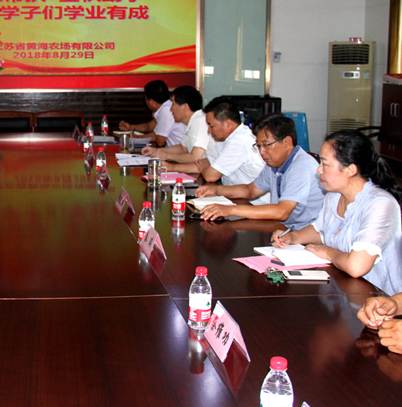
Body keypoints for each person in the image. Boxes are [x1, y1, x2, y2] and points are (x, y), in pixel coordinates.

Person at [272, 130, 402, 295]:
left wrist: (328, 252)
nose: (319, 169)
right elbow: (320, 230)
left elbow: (356, 266)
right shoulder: (334, 196)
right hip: (341, 287)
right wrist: (292, 237)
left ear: (350, 169)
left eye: (325, 164)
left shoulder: (380, 204)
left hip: (378, 296)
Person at [195, 113, 324, 229]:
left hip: (304, 236)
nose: (262, 152)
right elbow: (251, 190)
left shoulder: (301, 166)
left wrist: (231, 210)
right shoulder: (274, 163)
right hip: (283, 230)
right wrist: (216, 190)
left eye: (266, 145)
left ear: (287, 142)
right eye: (258, 146)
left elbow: (282, 212)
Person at [161, 97, 267, 204]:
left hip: (254, 204)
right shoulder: (224, 139)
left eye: (211, 126)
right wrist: (171, 167)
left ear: (228, 124)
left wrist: (205, 168)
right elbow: (202, 165)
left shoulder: (240, 141)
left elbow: (210, 175)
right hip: (235, 197)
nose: (208, 131)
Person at [141, 85, 209, 163]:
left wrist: (166, 156)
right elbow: (182, 148)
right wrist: (156, 151)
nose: (170, 109)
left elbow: (196, 158)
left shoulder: (200, 121)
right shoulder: (193, 121)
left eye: (173, 104)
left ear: (185, 107)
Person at [118, 80, 185, 147]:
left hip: (179, 152)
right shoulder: (166, 107)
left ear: (152, 102)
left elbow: (160, 141)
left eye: (146, 99)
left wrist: (138, 138)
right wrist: (130, 127)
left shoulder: (166, 110)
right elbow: (149, 126)